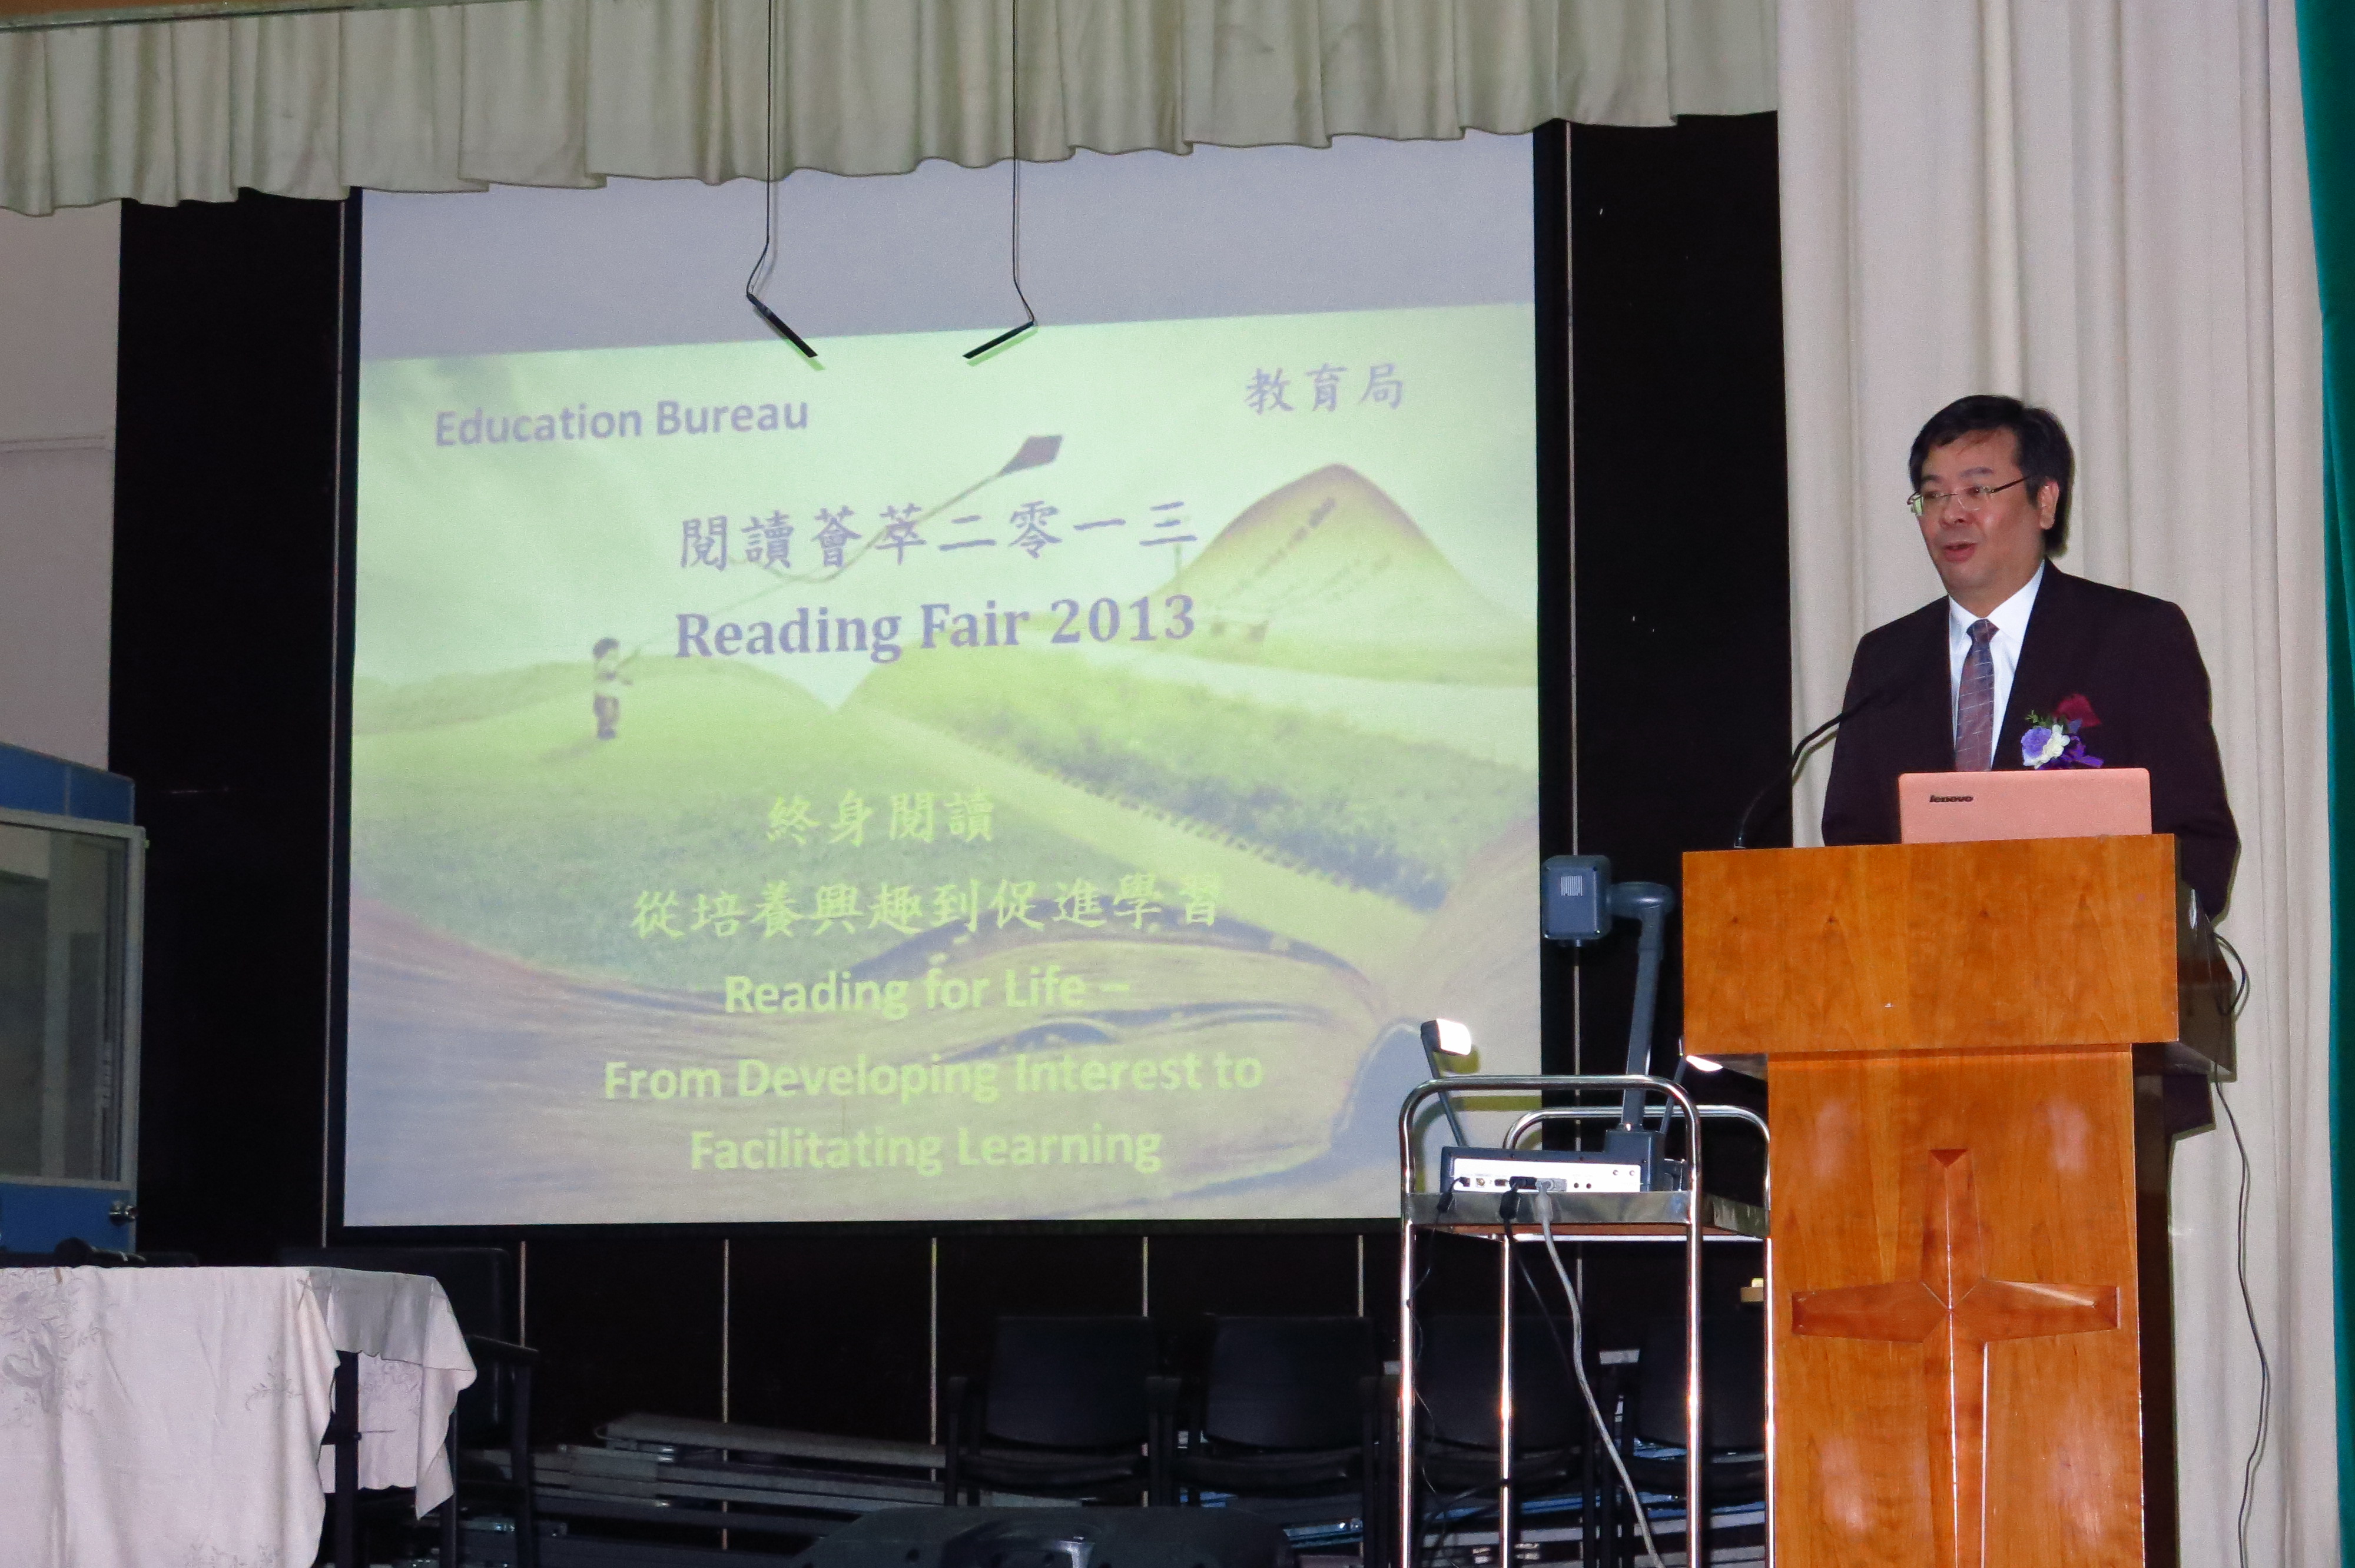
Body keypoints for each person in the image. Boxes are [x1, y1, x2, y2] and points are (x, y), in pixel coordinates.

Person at [1820, 395, 2239, 918]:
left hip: (2097, 977)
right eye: (1932, 496)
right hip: (1920, 980)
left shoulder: (2135, 638)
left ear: (2045, 501)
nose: (1951, 514)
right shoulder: (1887, 660)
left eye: (1977, 489)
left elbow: (2197, 842)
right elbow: (1851, 845)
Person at [592, 637, 631, 740]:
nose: (617, 652)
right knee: (606, 713)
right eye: (614, 649)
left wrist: (625, 680)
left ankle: (610, 729)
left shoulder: (613, 662)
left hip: (613, 692)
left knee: (615, 713)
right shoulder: (603, 663)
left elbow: (618, 673)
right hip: (603, 693)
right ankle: (603, 730)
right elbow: (609, 675)